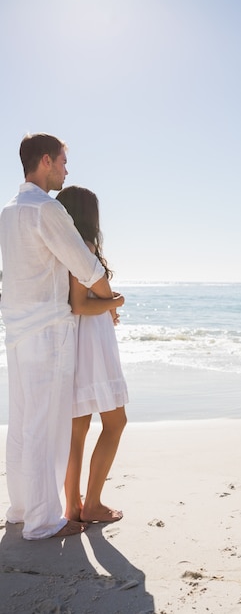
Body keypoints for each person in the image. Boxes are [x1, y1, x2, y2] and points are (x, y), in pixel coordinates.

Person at [0, 133, 125, 540]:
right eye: (63, 162)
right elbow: (86, 266)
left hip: (17, 330)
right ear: (46, 161)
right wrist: (113, 301)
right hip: (47, 330)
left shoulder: (8, 211)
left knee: (21, 421)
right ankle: (40, 521)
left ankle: (21, 509)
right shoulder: (46, 209)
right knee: (43, 426)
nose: (66, 171)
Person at [56, 186, 128, 524]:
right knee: (115, 422)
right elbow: (80, 304)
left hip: (80, 342)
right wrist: (115, 303)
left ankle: (73, 506)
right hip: (92, 346)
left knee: (79, 428)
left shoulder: (69, 247)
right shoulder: (82, 247)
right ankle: (93, 503)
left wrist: (107, 303)